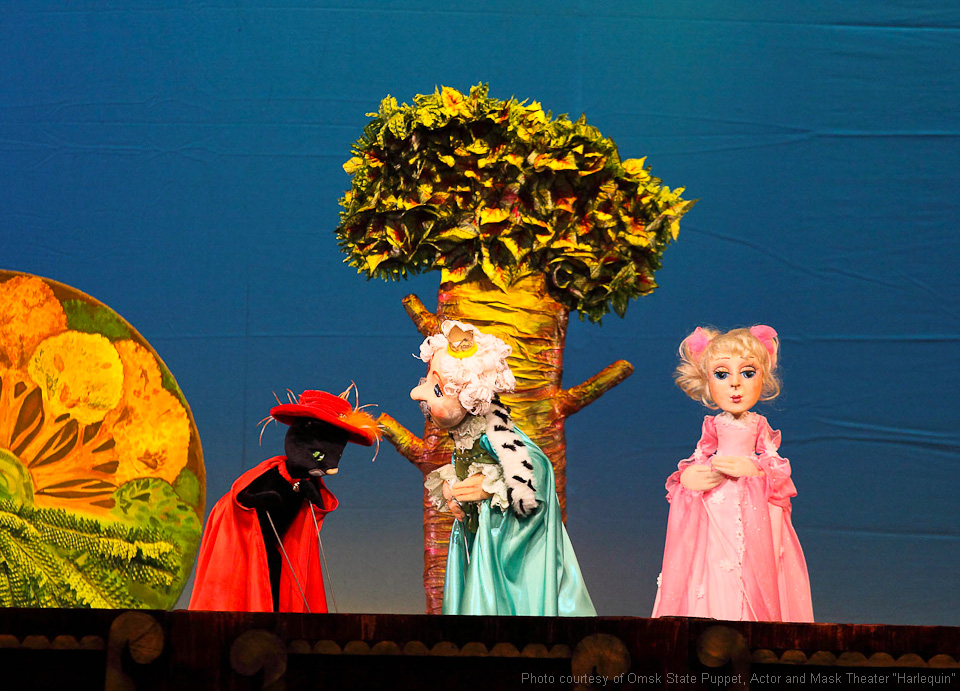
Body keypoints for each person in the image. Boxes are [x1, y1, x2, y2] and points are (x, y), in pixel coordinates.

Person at [412, 320, 596, 616]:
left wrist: (492, 485)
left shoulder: (492, 432)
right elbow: (467, 467)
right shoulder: (467, 433)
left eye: (436, 388)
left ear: (468, 396)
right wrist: (454, 489)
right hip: (483, 533)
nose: (417, 393)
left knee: (505, 603)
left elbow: (535, 468)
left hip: (504, 541)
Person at [652, 325, 813, 622]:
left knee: (752, 562)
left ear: (763, 376)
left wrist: (755, 470)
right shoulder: (712, 426)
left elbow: (779, 476)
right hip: (715, 499)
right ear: (706, 379)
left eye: (748, 373)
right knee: (711, 560)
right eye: (722, 374)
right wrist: (688, 478)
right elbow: (696, 459)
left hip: (754, 507)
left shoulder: (759, 427)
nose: (735, 384)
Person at [189, 388, 378, 612]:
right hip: (249, 549)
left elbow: (316, 506)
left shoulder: (307, 479)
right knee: (253, 587)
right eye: (320, 456)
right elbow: (241, 501)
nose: (331, 467)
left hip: (278, 553)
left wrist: (310, 496)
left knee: (277, 587)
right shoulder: (271, 473)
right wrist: (257, 500)